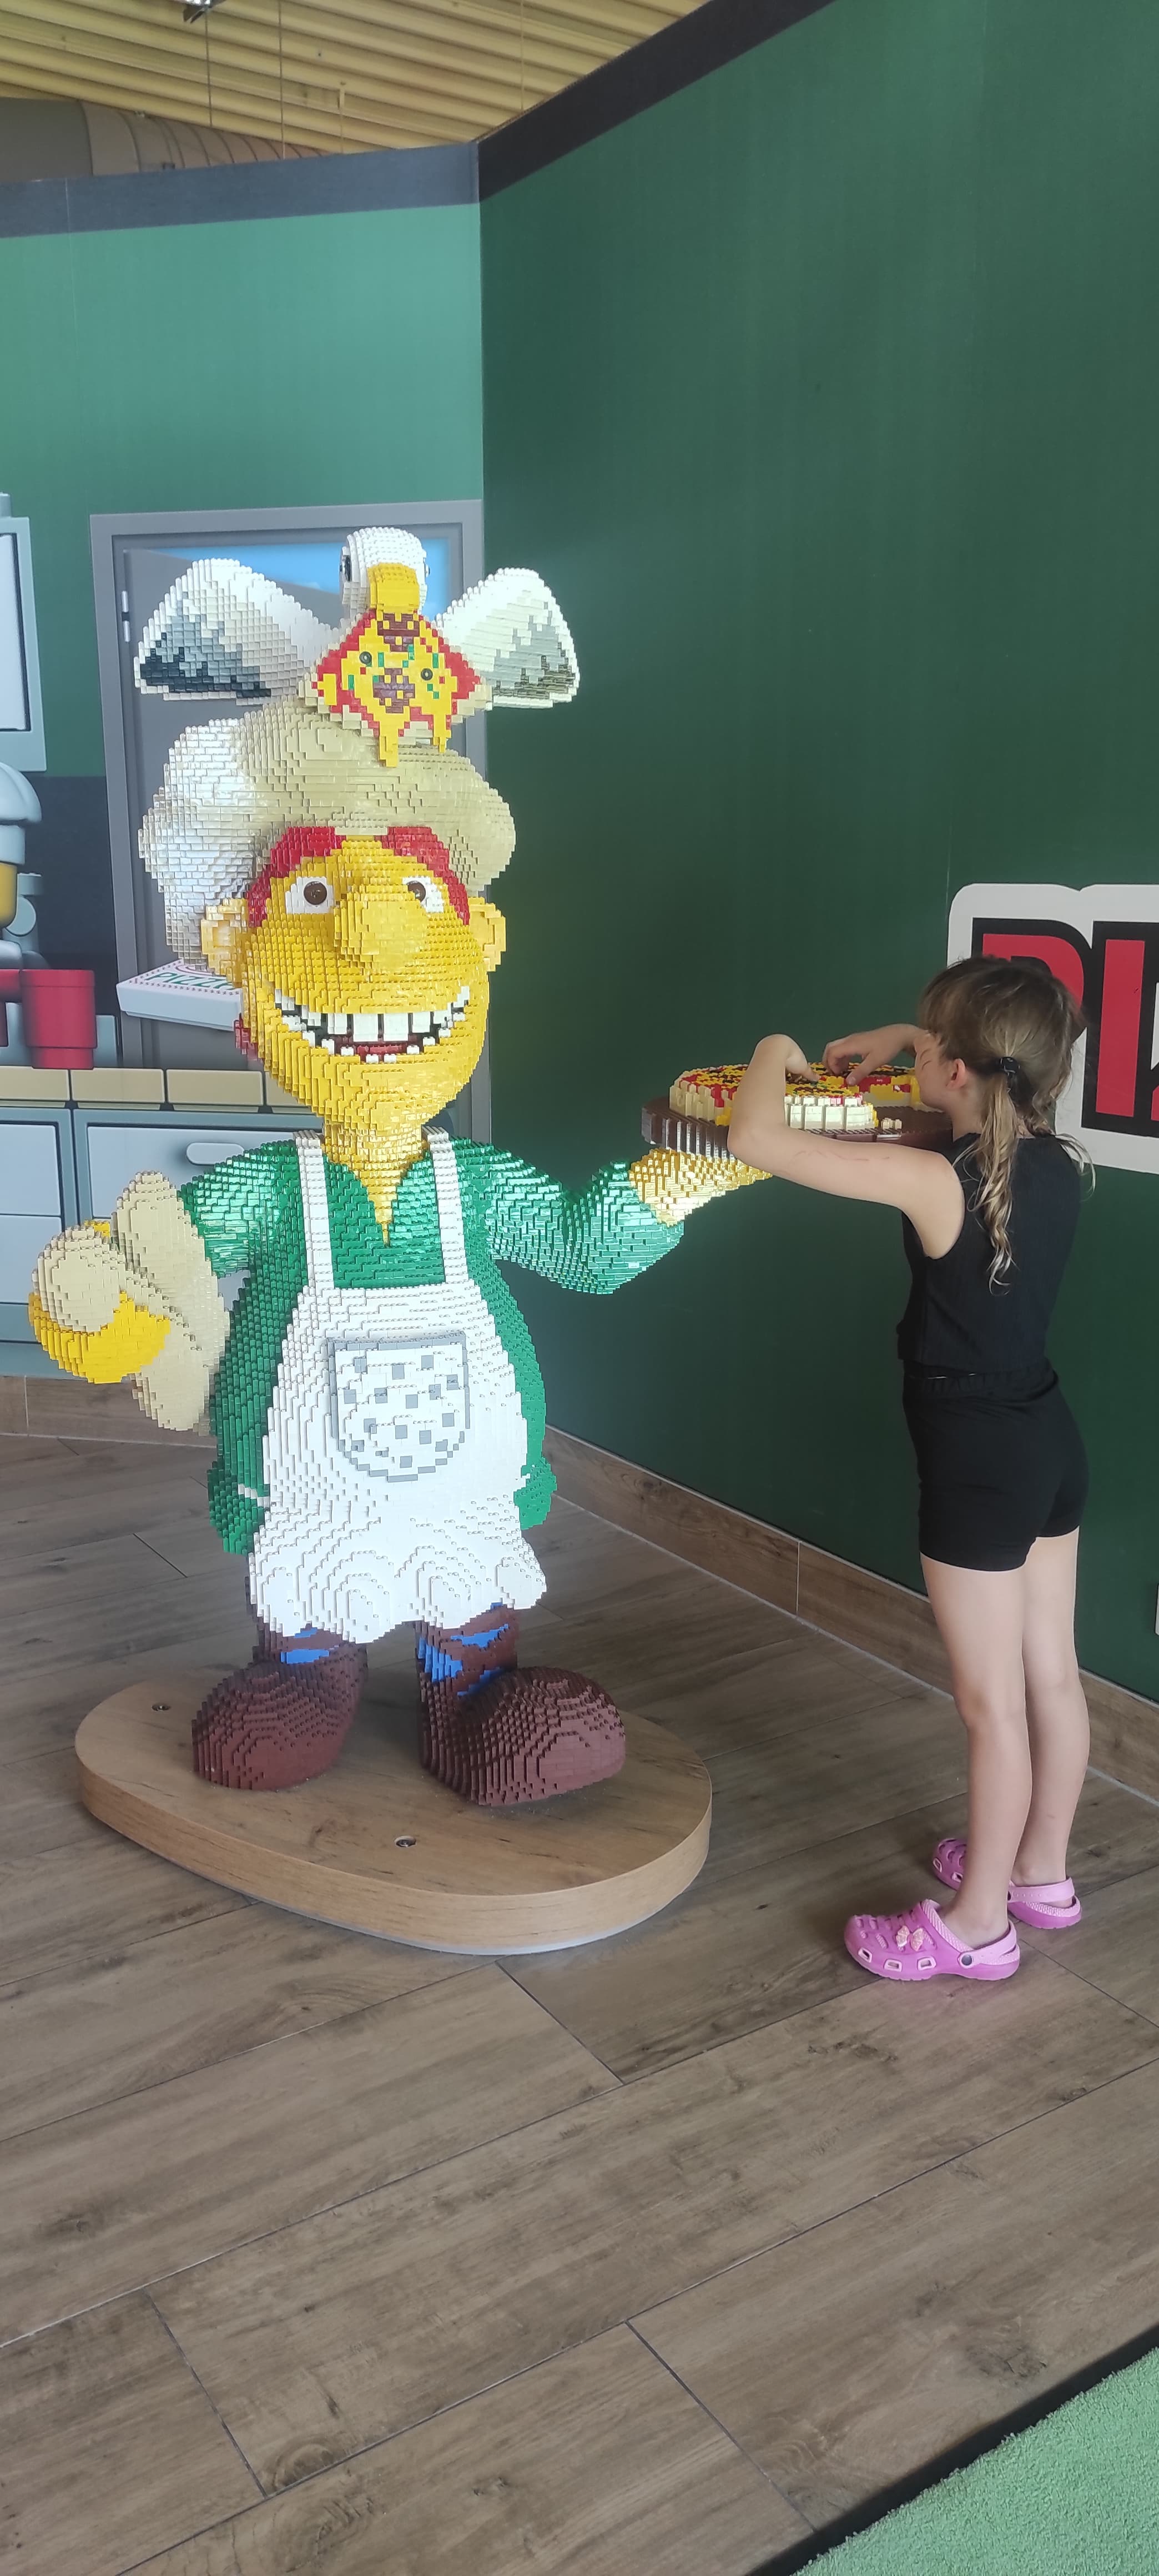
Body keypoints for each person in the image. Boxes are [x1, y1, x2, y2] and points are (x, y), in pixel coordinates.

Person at [728, 957, 1090, 1985]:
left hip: (978, 1467)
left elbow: (754, 1137)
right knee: (1051, 1676)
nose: (915, 1054)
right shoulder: (1058, 1161)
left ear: (962, 1072)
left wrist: (775, 1050)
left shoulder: (936, 1180)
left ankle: (978, 1926)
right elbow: (974, 1072)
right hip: (1047, 1441)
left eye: (929, 1047)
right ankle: (1041, 1875)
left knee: (992, 1708)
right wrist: (902, 1039)